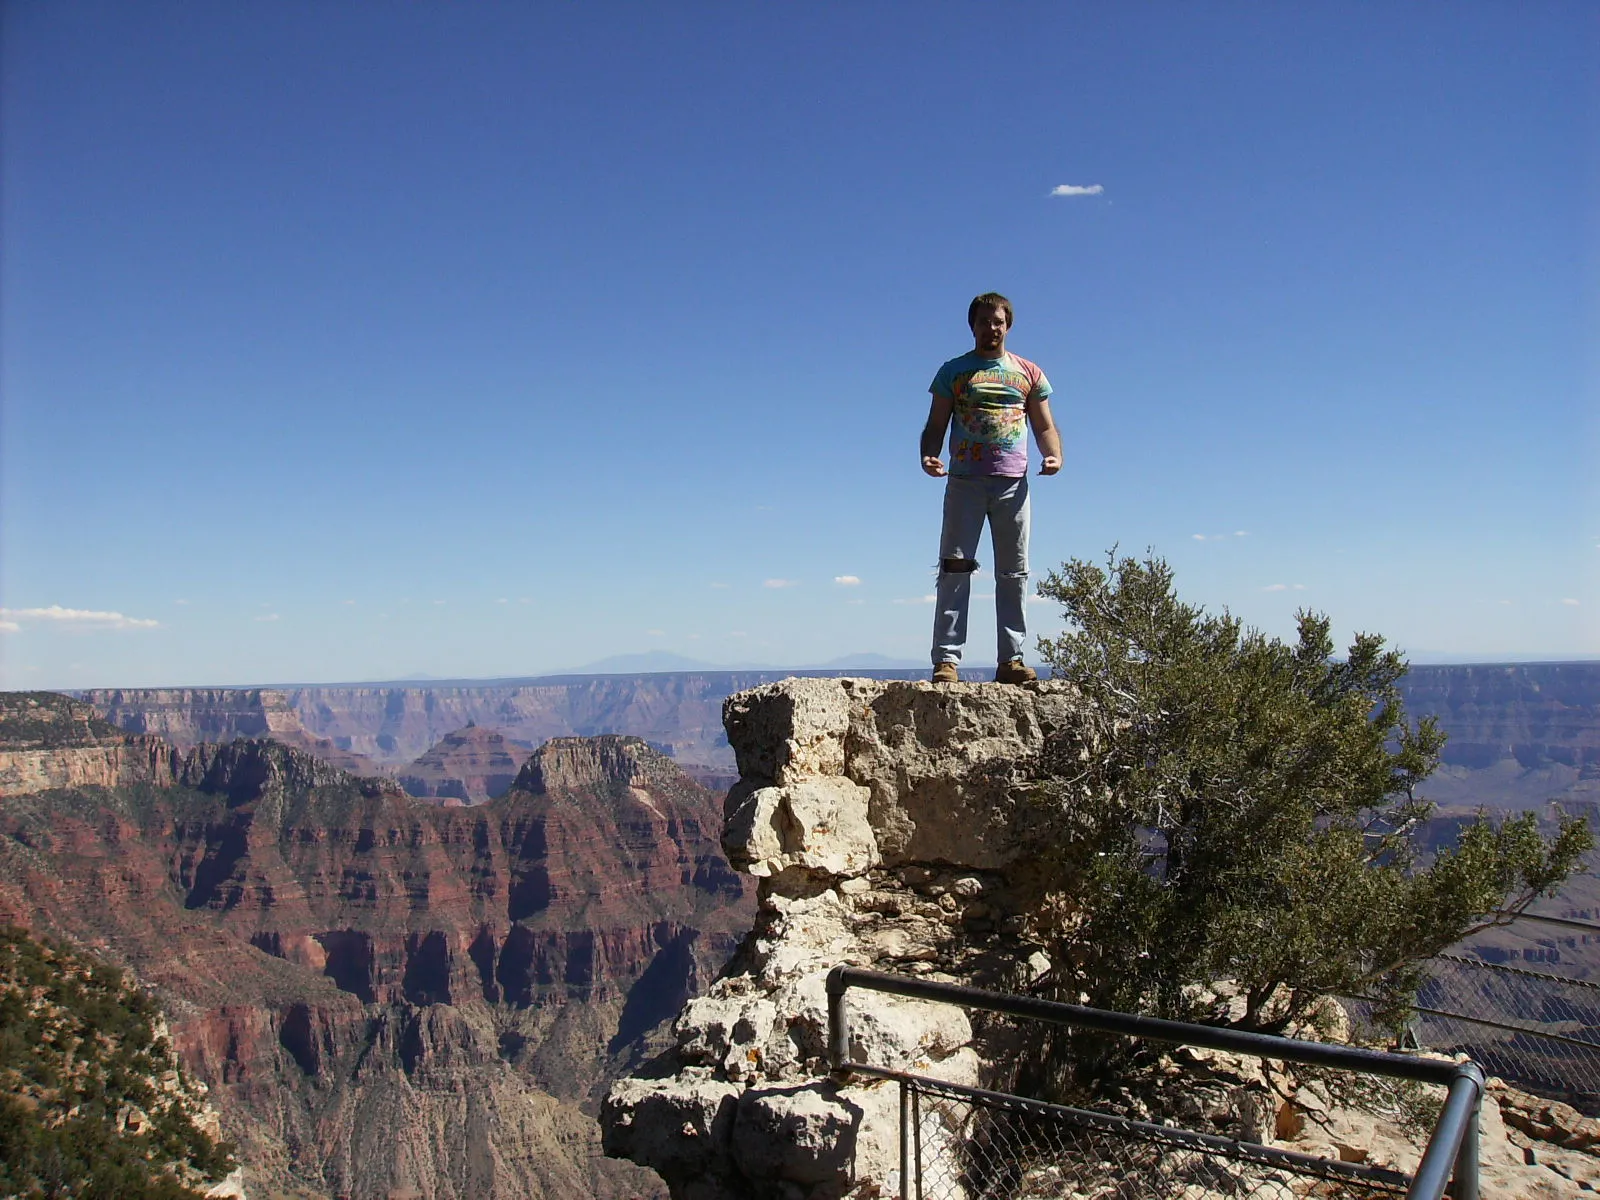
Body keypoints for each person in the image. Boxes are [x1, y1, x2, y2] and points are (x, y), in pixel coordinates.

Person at [920, 292, 1062, 684]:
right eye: (984, 322)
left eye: (997, 322)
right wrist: (929, 455)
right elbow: (935, 423)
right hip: (965, 481)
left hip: (1012, 484)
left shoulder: (1028, 372)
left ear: (1008, 325)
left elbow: (1044, 424)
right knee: (954, 567)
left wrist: (1053, 455)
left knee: (1013, 573)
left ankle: (1011, 660)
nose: (991, 328)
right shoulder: (955, 371)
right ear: (973, 326)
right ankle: (946, 660)